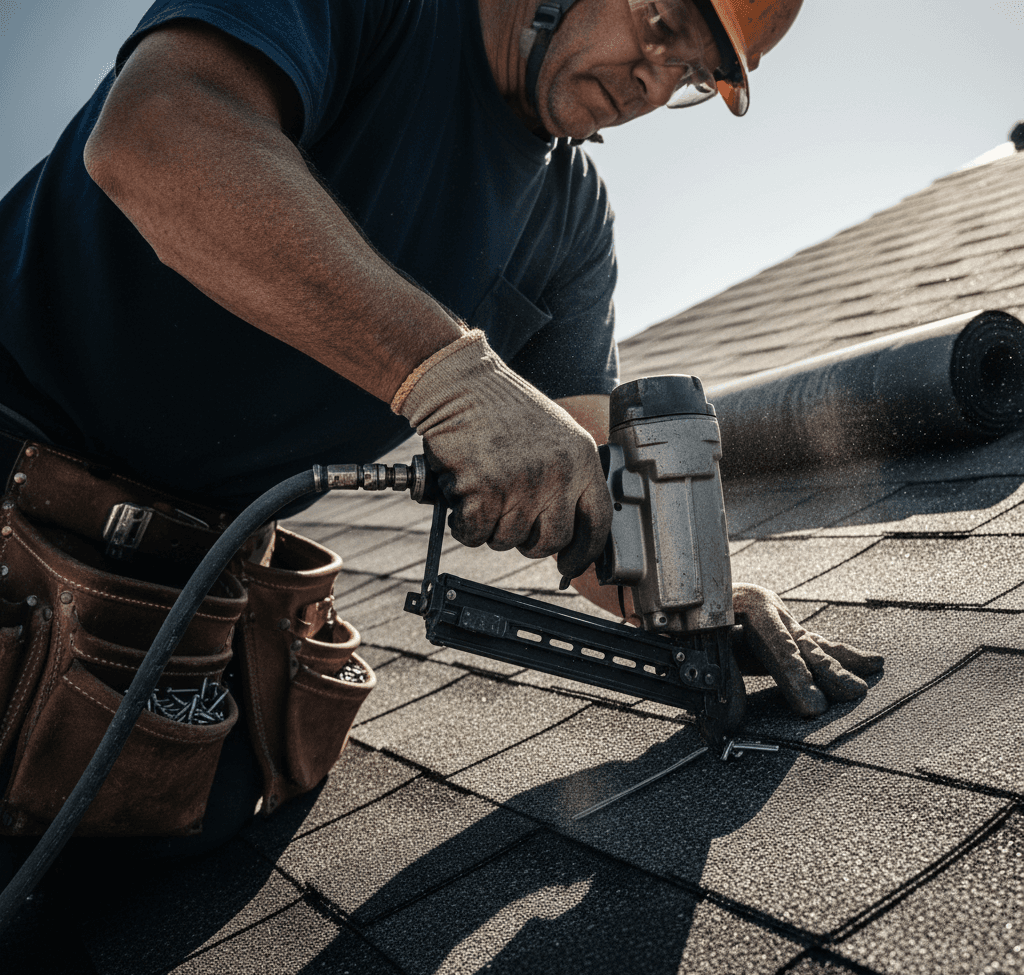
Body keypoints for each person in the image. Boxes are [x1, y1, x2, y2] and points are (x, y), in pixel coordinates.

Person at [0, 0, 881, 869]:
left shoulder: (571, 223)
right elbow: (154, 135)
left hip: (176, 592)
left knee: (170, 842)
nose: (656, 83)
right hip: (18, 462)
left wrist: (693, 600)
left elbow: (594, 497)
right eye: (658, 28)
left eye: (691, 73)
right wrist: (447, 375)